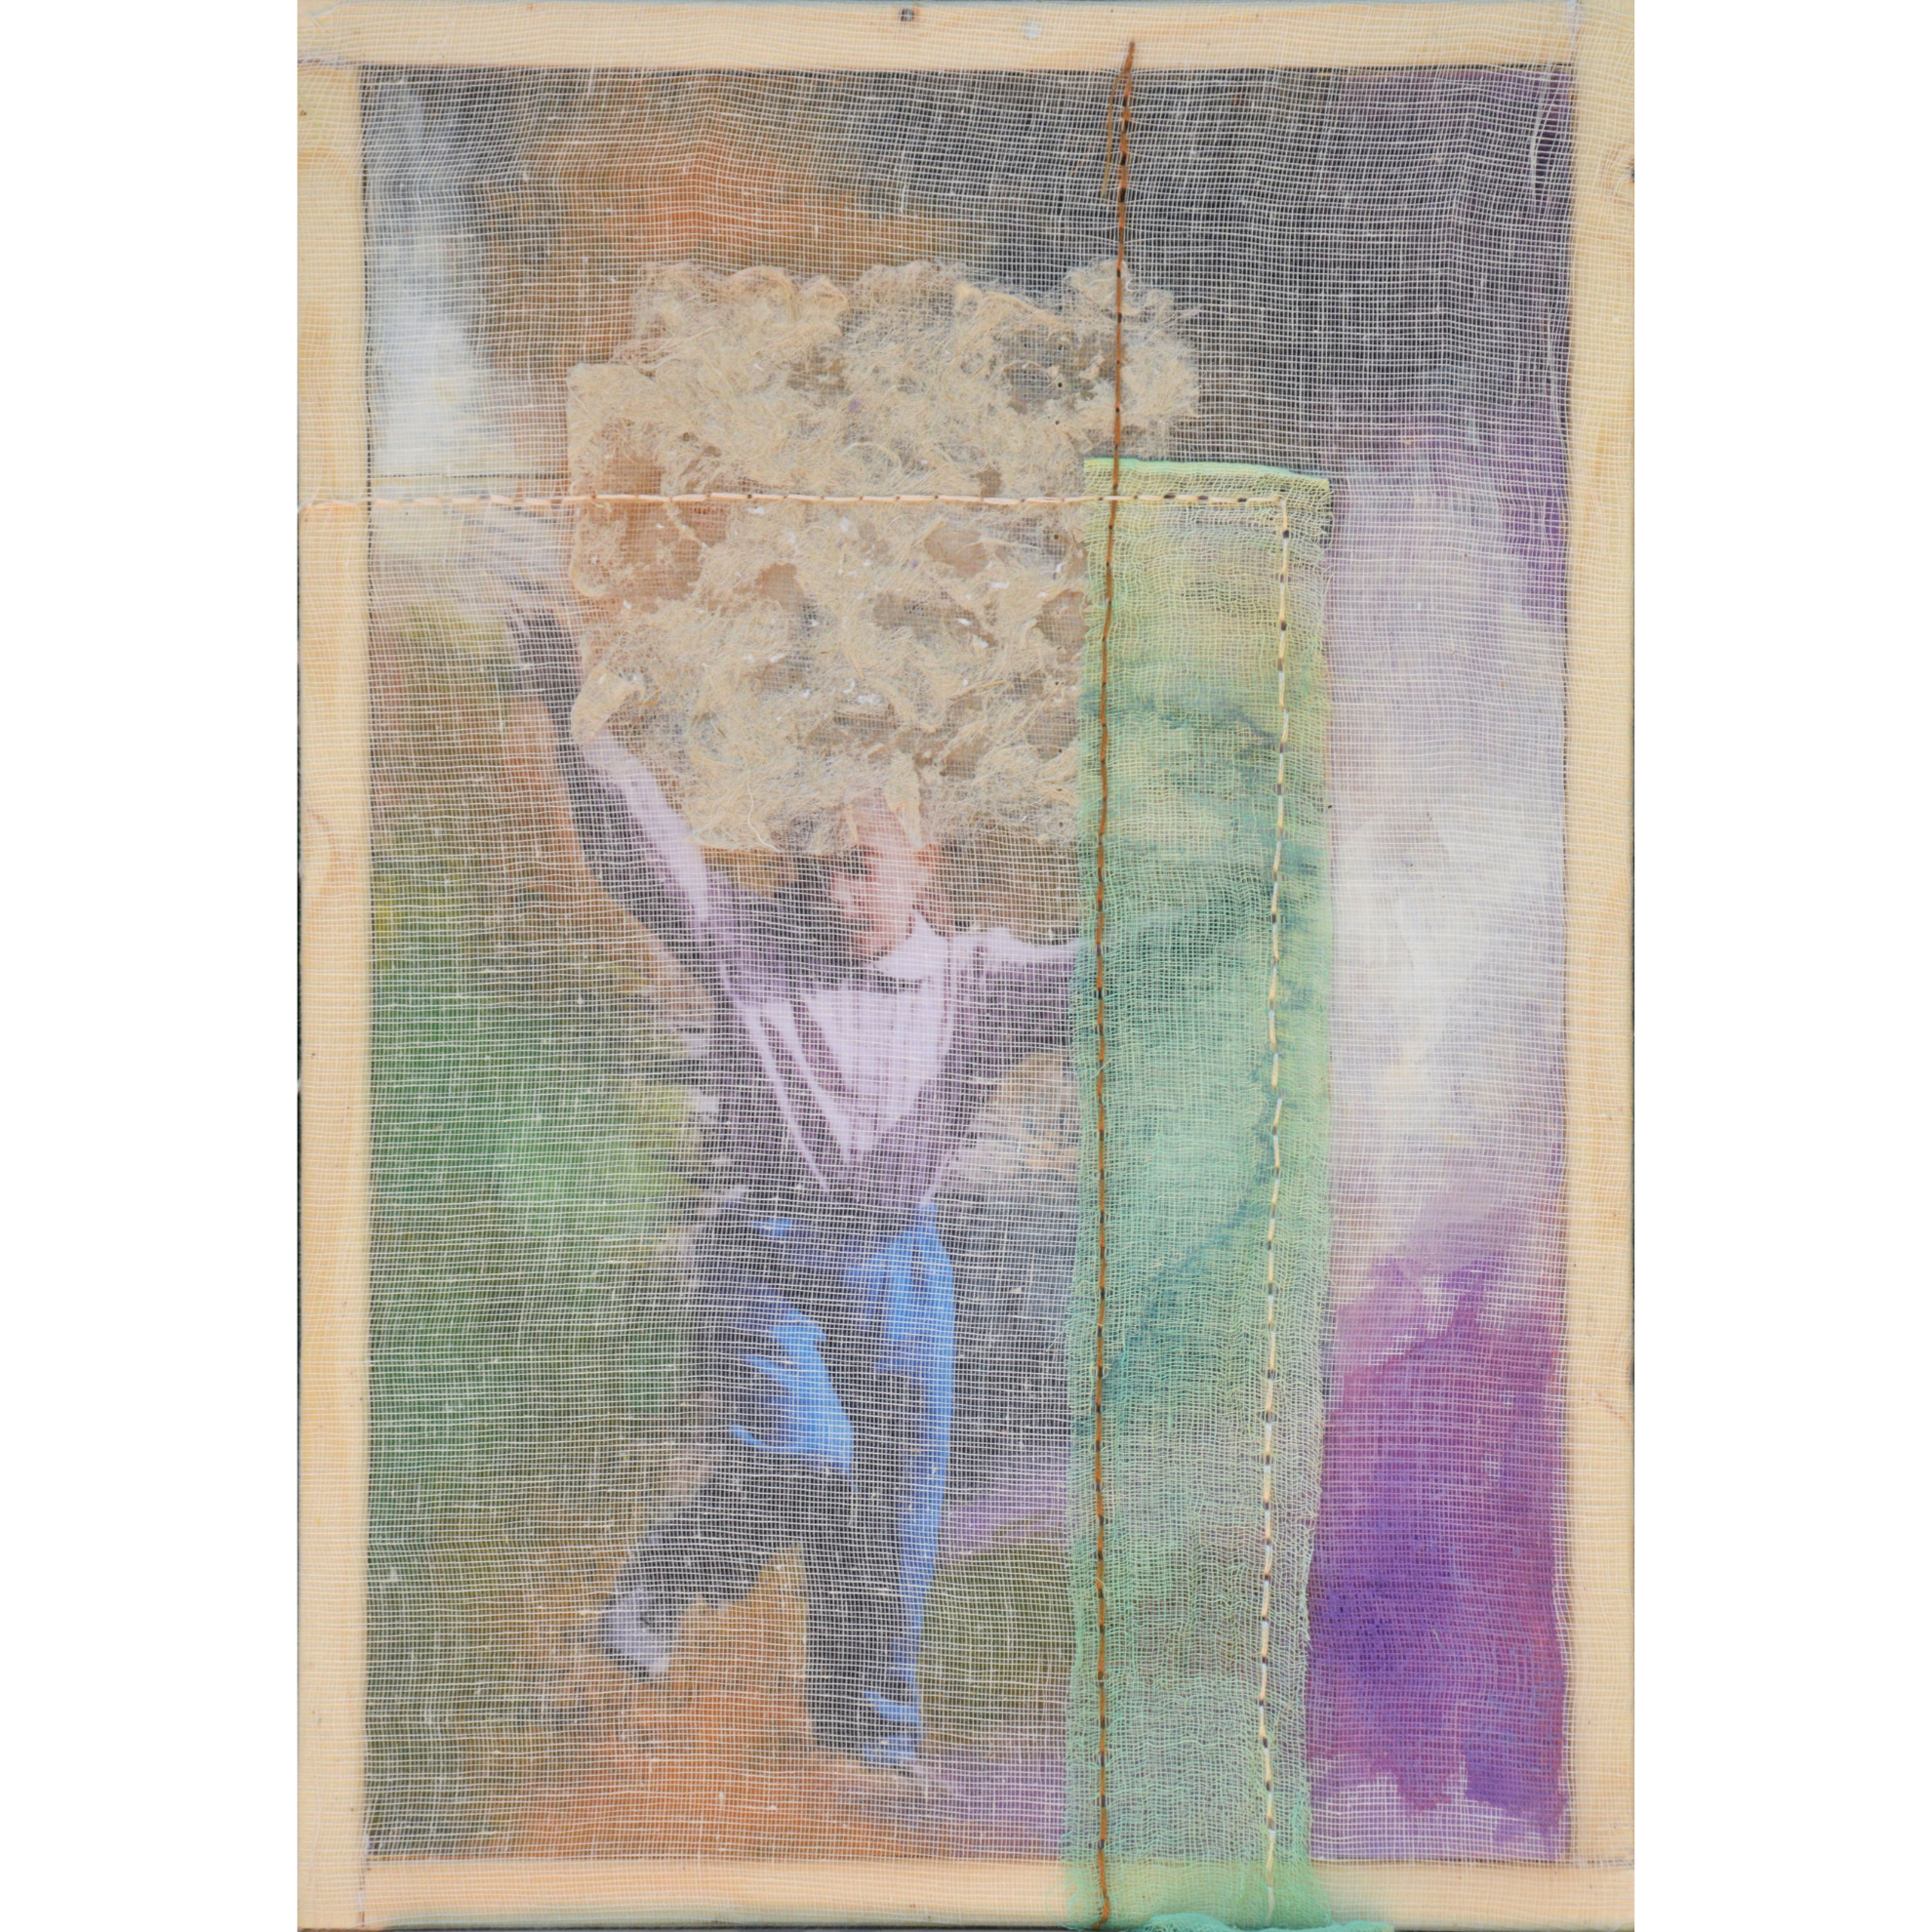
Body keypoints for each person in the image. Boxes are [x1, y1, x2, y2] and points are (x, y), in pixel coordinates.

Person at [512, 615, 1074, 1778]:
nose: (834, 894)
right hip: (765, 1255)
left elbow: (1117, 976)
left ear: (923, 862)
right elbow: (642, 853)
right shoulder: (749, 940)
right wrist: (577, 725)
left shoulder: (976, 979)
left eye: (860, 865)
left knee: (892, 1522)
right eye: (812, 867)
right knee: (800, 1458)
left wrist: (1232, 920)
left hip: (904, 1269)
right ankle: (667, 1580)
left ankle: (872, 1750)